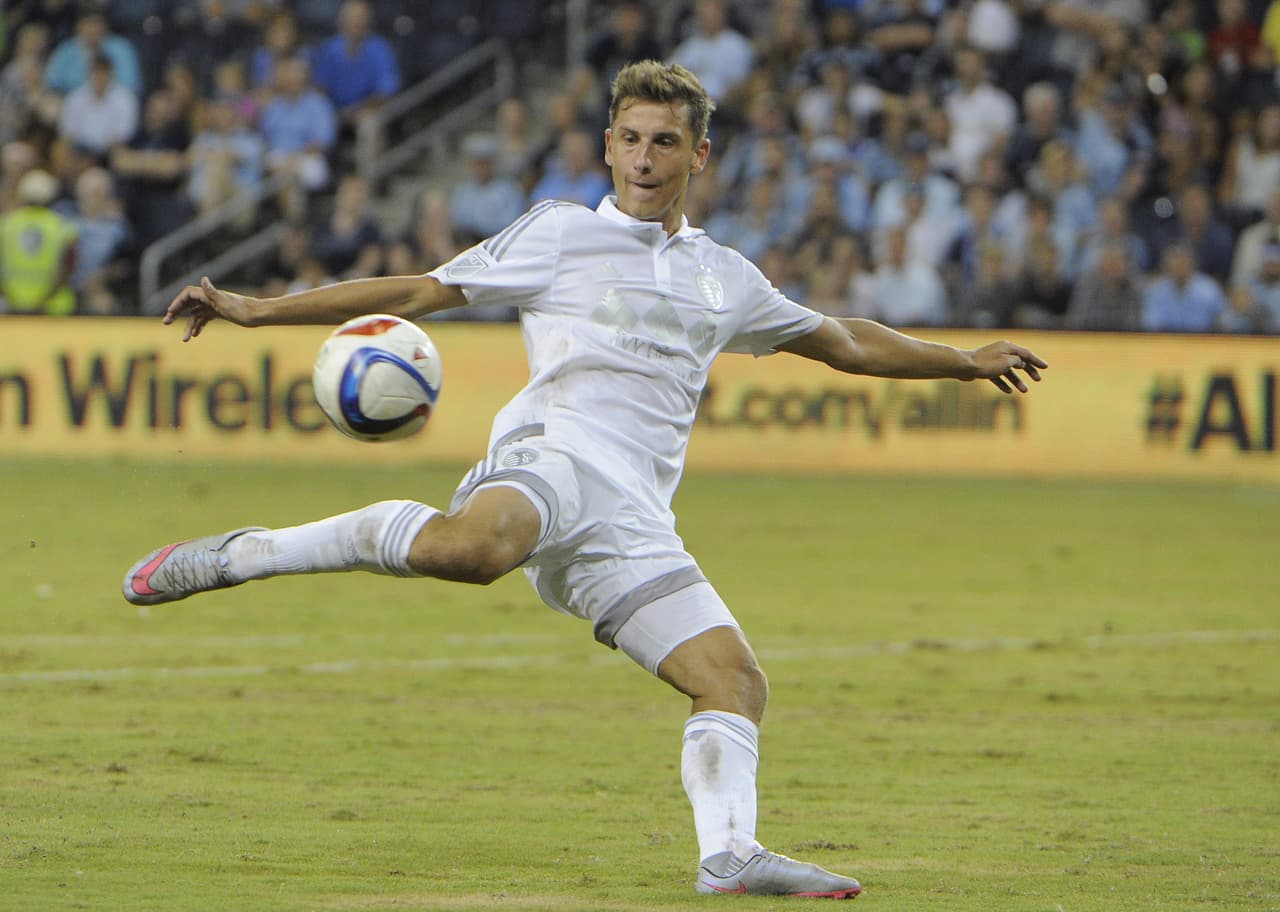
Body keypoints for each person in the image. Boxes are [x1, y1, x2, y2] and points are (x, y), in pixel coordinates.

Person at [122, 61, 1046, 899]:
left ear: (700, 155)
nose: (644, 160)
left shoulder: (724, 277)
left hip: (634, 514)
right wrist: (255, 309)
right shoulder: (559, 235)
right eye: (630, 139)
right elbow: (414, 293)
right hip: (550, 454)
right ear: (607, 145)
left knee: (734, 681)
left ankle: (728, 855)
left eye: (666, 143)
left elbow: (840, 340)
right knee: (473, 550)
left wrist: (960, 361)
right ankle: (245, 554)